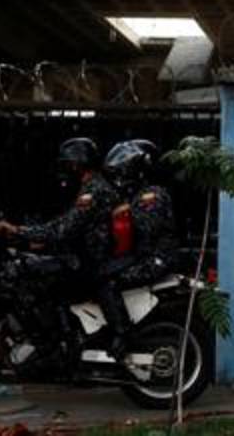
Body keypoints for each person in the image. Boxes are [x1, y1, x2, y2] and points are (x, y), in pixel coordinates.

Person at [0, 137, 119, 361]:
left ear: (77, 164)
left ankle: (47, 342)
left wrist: (18, 231)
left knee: (17, 273)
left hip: (87, 263)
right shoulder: (91, 187)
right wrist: (34, 239)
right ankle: (59, 337)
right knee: (37, 276)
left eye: (68, 164)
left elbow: (63, 228)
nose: (65, 169)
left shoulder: (94, 191)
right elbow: (68, 226)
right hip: (82, 258)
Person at [94, 139, 179, 359]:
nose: (120, 177)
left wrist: (121, 212)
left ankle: (122, 334)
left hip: (155, 258)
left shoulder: (153, 195)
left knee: (107, 282)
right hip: (139, 255)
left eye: (124, 170)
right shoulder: (135, 195)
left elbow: (146, 227)